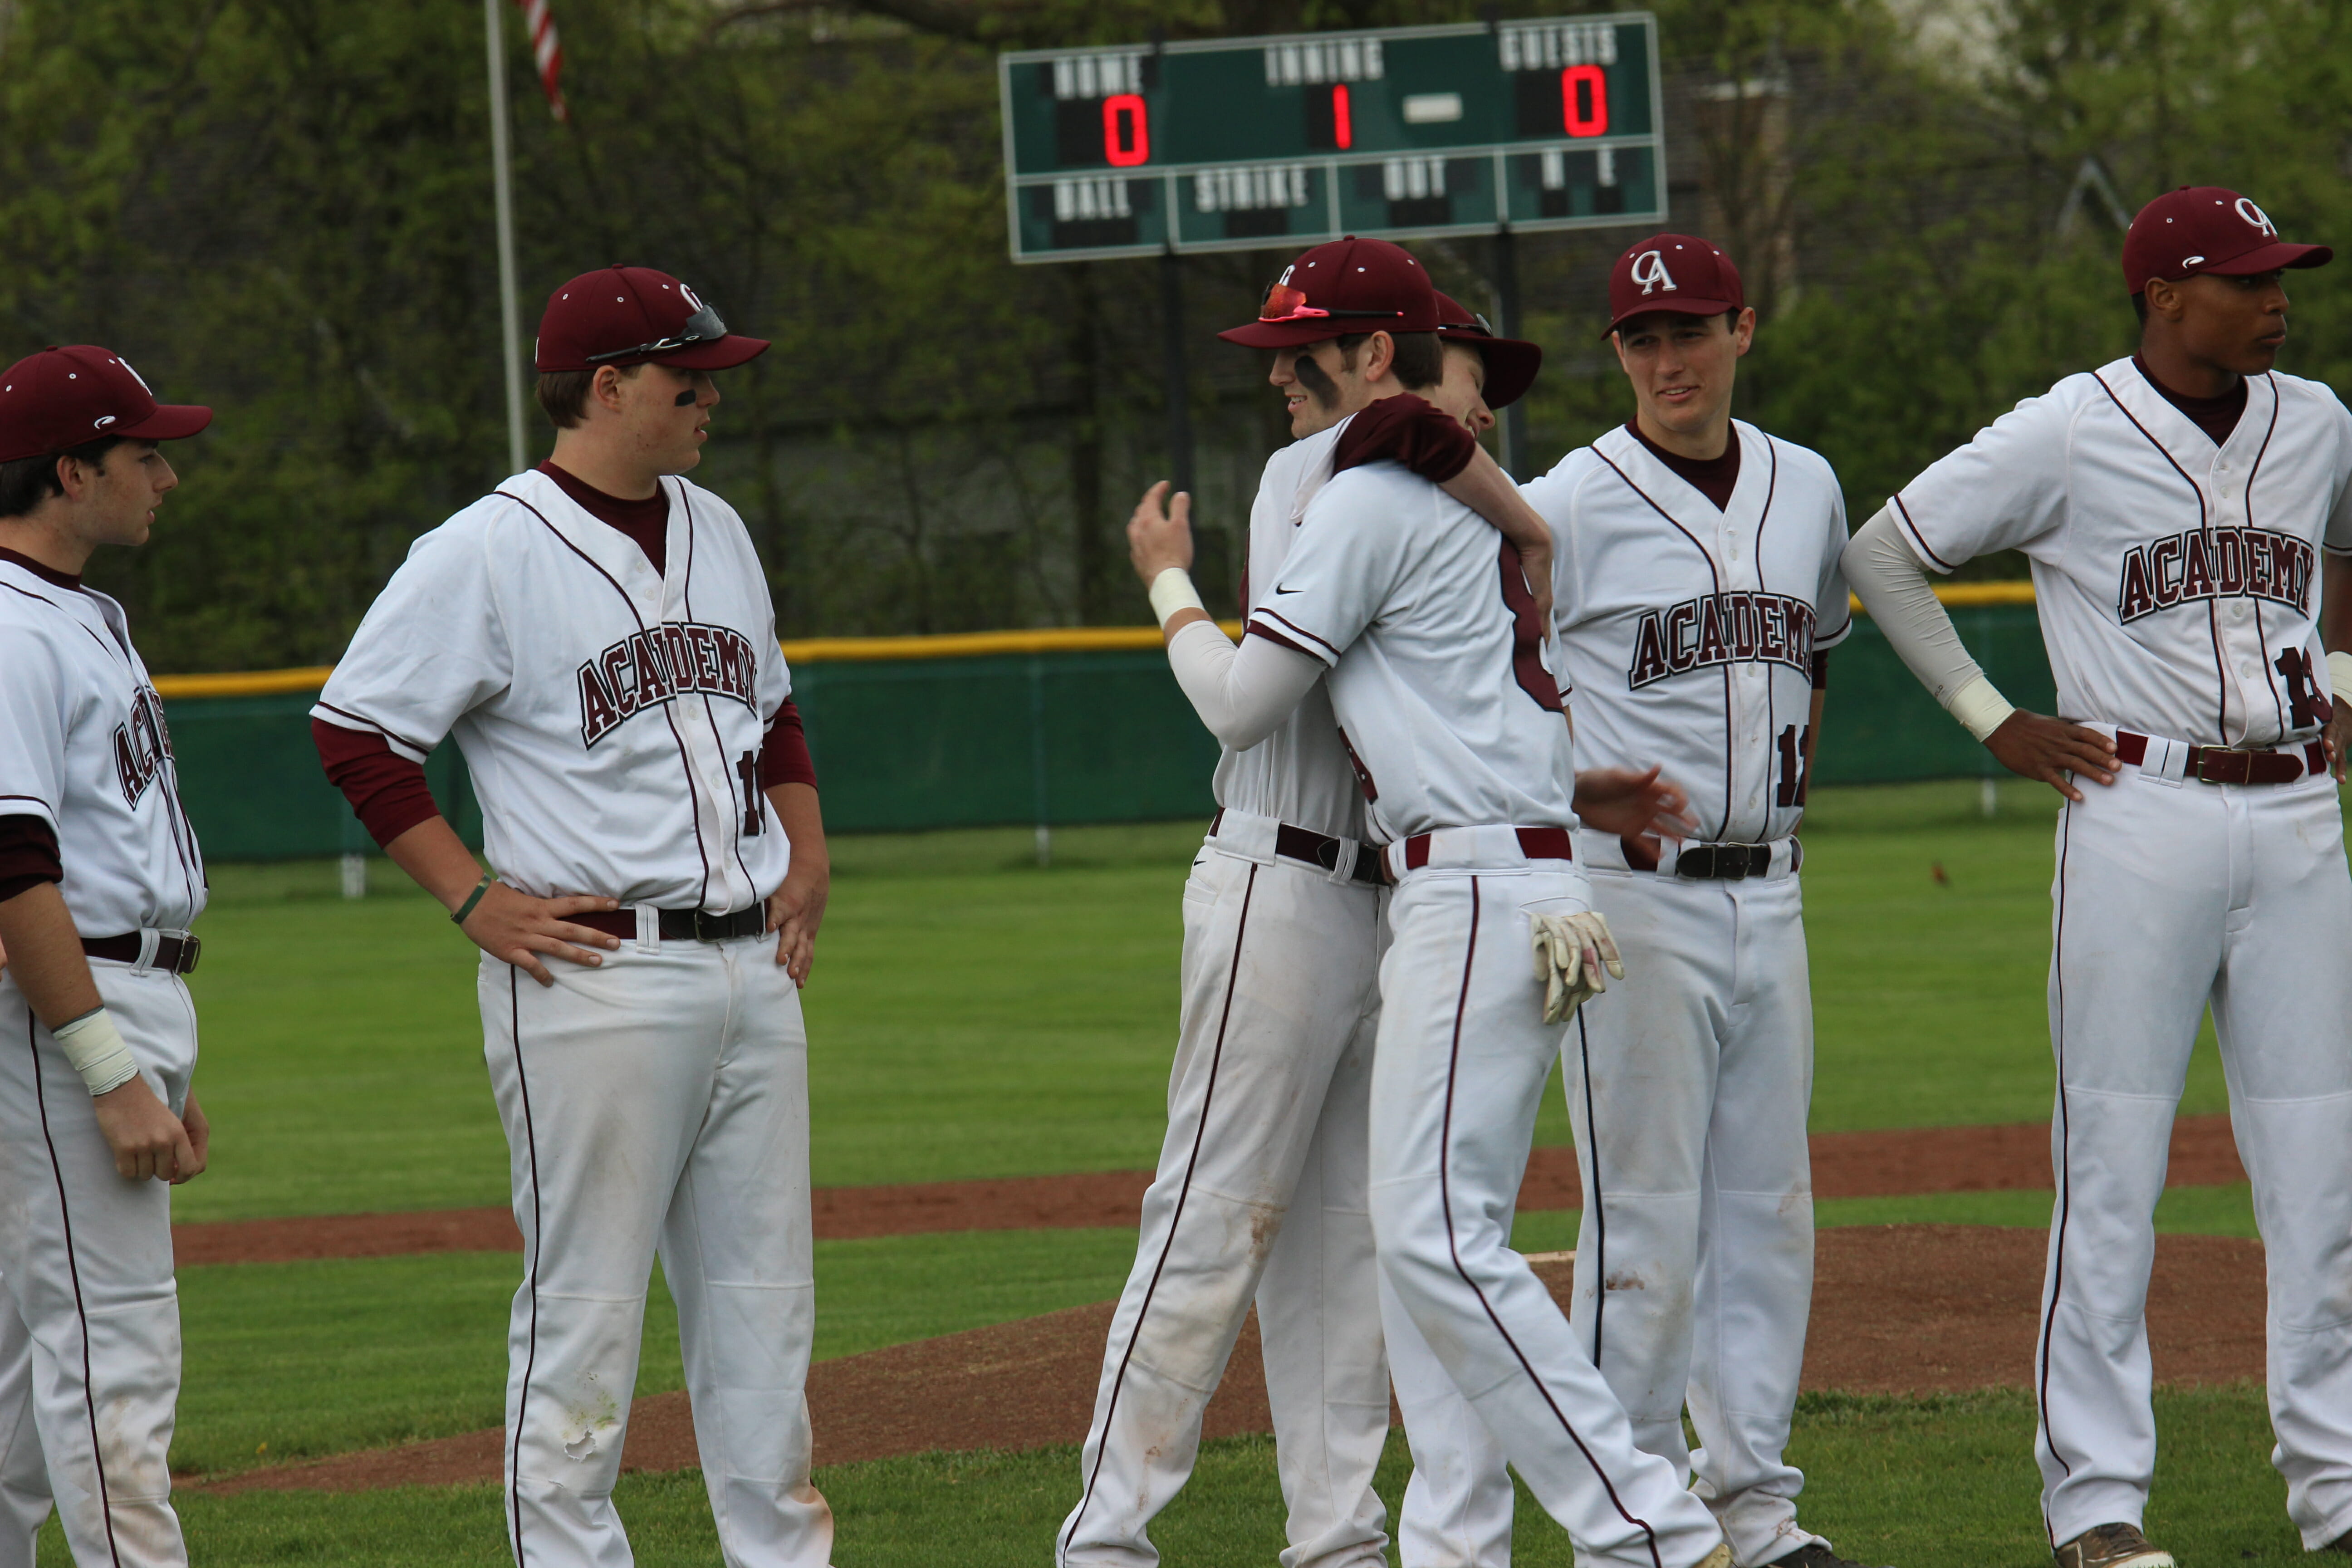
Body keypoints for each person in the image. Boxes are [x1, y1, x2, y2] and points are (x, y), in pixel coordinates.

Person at [1127, 278, 1732, 1568]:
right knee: (1440, 1239)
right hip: (1521, 885)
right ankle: (1601, 1529)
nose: (1282, 377)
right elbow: (1465, 711)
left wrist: (1170, 589)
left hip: (1467, 897)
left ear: (1374, 355)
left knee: (1433, 1238)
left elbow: (1243, 706)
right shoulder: (1467, 512)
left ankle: (1656, 1527)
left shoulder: (1364, 495)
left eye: (1305, 354)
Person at [1344, 234, 1876, 1568]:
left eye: (1690, 330)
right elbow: (1493, 675)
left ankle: (1753, 1504)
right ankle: (1634, 1518)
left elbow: (1815, 654)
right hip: (1629, 898)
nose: (1667, 358)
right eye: (1641, 339)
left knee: (1770, 1210)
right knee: (1643, 1215)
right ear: (1618, 356)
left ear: (1743, 329)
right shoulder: (1565, 500)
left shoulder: (1806, 485)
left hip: (1778, 886)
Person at [1842, 186, 2352, 1568]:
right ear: (2165, 297)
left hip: (2302, 814)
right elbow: (1880, 551)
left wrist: (2346, 677)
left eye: (2280, 276)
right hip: (2139, 809)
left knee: (2324, 1173)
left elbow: (2342, 545)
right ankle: (2096, 1506)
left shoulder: (2318, 420)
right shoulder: (2068, 427)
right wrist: (1984, 713)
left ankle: (2336, 1485)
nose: (2277, 297)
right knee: (2114, 1167)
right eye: (2247, 280)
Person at [310, 267, 834, 1568]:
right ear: (607, 389)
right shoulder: (483, 549)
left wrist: (808, 852)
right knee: (585, 1317)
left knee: (765, 1314)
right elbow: (356, 734)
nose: (709, 400)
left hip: (751, 968)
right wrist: (474, 899)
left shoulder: (718, 524)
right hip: (597, 975)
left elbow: (772, 708)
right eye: (685, 381)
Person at [1057, 236, 1564, 1568]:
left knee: (1341, 1245)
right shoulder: (1338, 468)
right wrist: (1165, 579)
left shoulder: (1427, 491)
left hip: (1389, 898)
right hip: (1277, 875)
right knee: (1215, 1216)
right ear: (1409, 373)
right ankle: (1104, 1541)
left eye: (1298, 356)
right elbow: (1262, 692)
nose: (1484, 404)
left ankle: (1336, 1541)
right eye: (1473, 376)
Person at [0, 345, 214, 1567]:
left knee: (29, 1379)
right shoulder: (14, 628)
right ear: (69, 472)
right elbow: (14, 870)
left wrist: (158, 1060)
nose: (166, 476)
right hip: (63, 1016)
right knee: (110, 1363)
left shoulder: (77, 613)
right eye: (143, 454)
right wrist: (108, 1065)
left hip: (112, 996)